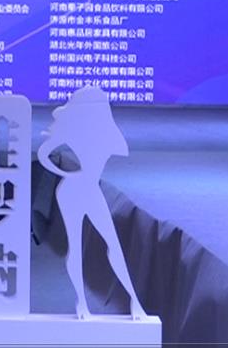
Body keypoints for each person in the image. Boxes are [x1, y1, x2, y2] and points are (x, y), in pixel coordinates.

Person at [37, 86, 147, 320]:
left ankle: (134, 302)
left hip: (87, 190)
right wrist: (68, 174)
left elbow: (121, 149)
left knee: (112, 244)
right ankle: (82, 304)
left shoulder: (102, 133)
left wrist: (69, 173)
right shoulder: (86, 132)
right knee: (76, 246)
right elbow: (43, 153)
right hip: (72, 191)